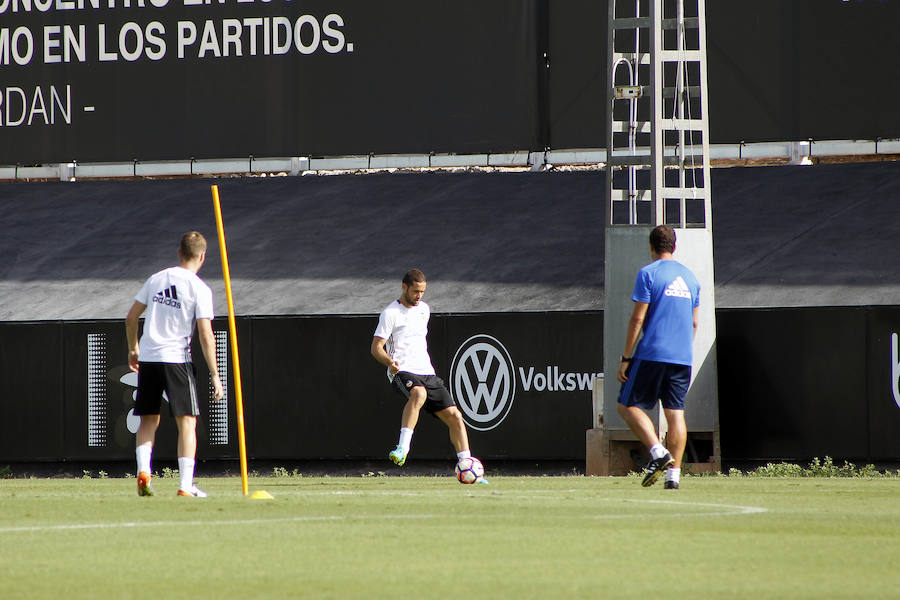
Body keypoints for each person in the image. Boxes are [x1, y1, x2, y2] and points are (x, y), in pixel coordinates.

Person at [125, 231, 224, 498]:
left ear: (179, 253)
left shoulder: (157, 279)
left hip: (149, 358)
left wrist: (133, 347)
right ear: (202, 256)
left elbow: (131, 317)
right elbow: (205, 334)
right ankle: (185, 485)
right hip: (177, 359)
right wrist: (215, 374)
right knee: (187, 422)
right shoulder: (199, 288)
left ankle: (143, 472)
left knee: (148, 419)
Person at [370, 269, 487, 483]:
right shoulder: (390, 313)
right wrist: (389, 362)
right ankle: (402, 448)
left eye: (422, 292)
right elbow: (376, 347)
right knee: (418, 393)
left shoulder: (424, 309)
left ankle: (468, 466)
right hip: (401, 369)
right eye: (415, 291)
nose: (419, 296)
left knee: (455, 416)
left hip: (427, 372)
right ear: (404, 287)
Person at [616, 225, 700, 489]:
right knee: (676, 414)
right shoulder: (691, 279)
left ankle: (657, 451)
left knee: (626, 405)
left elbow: (638, 318)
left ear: (651, 247)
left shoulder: (649, 273)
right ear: (674, 247)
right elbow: (695, 324)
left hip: (653, 352)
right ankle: (673, 476)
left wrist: (626, 357)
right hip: (682, 356)